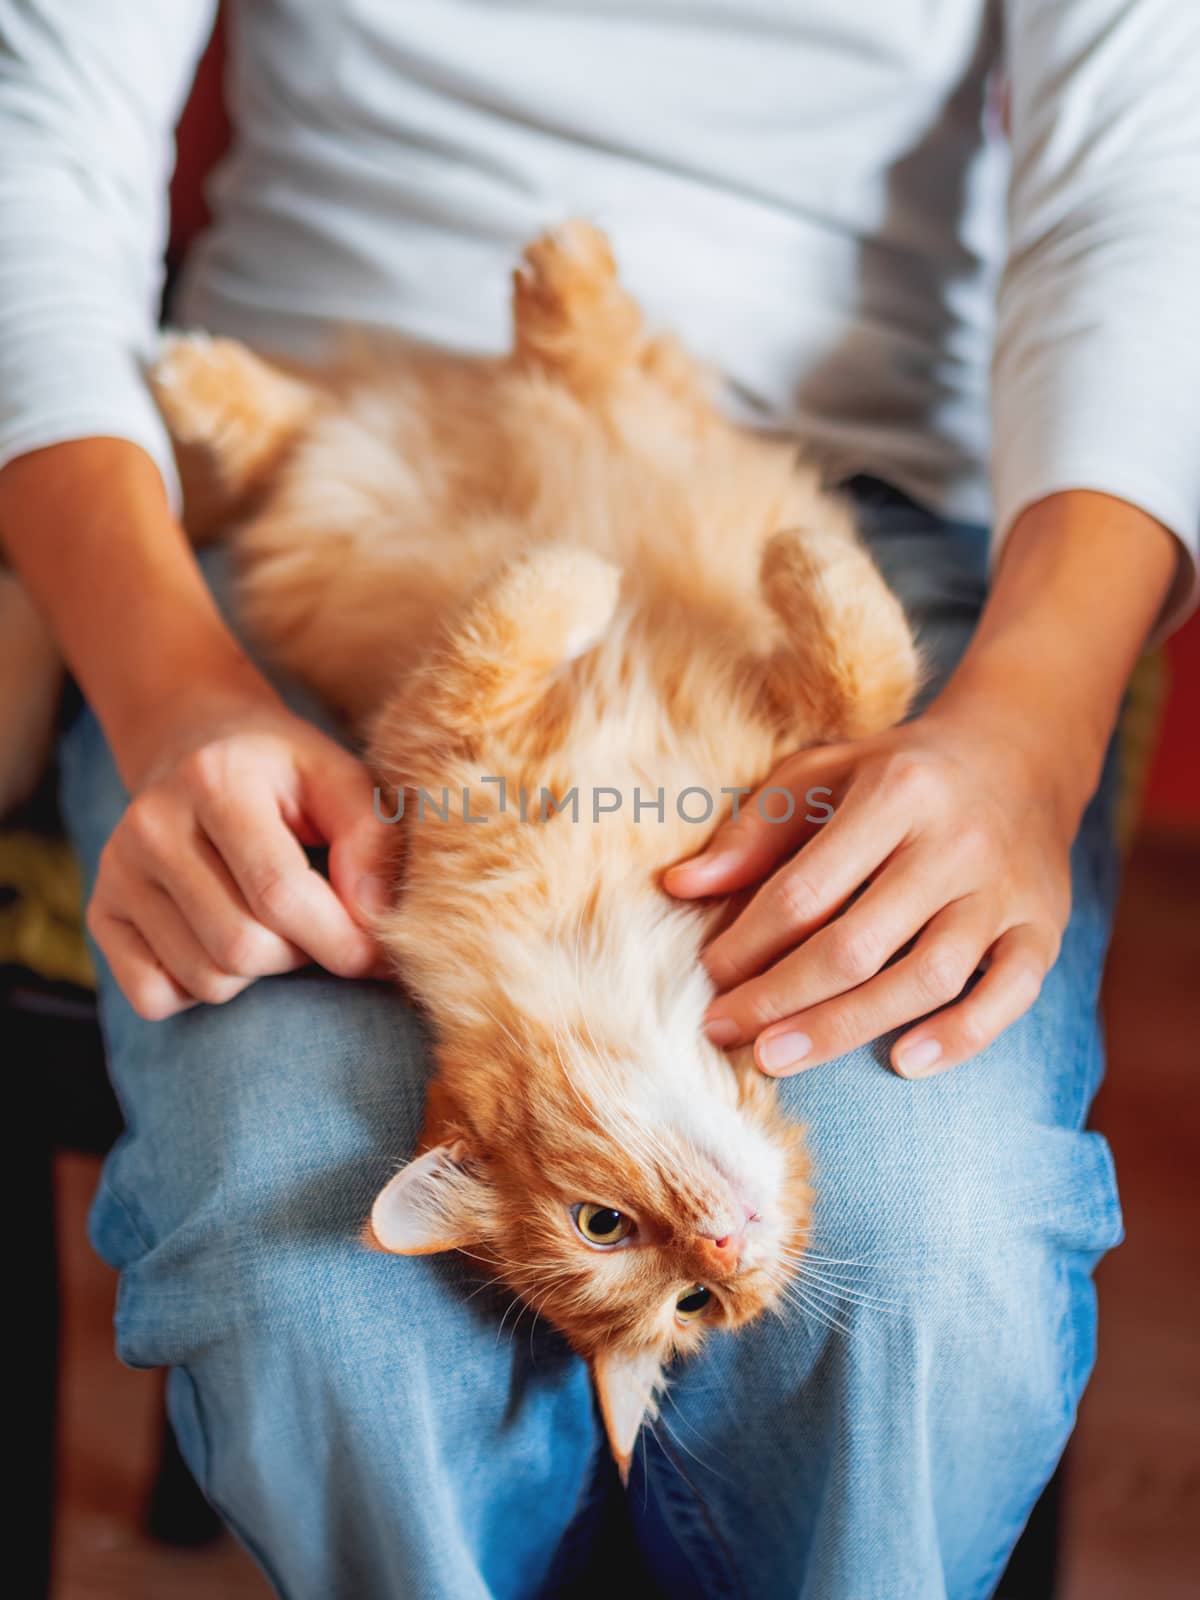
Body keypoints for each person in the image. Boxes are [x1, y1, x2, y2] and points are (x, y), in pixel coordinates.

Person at [2, 3, 1196, 1595]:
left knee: (935, 1277)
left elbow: (1140, 179)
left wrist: (1035, 723)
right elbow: (40, 140)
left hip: (835, 492)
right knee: (322, 1307)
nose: (707, 1253)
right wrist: (169, 693)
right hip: (321, 510)